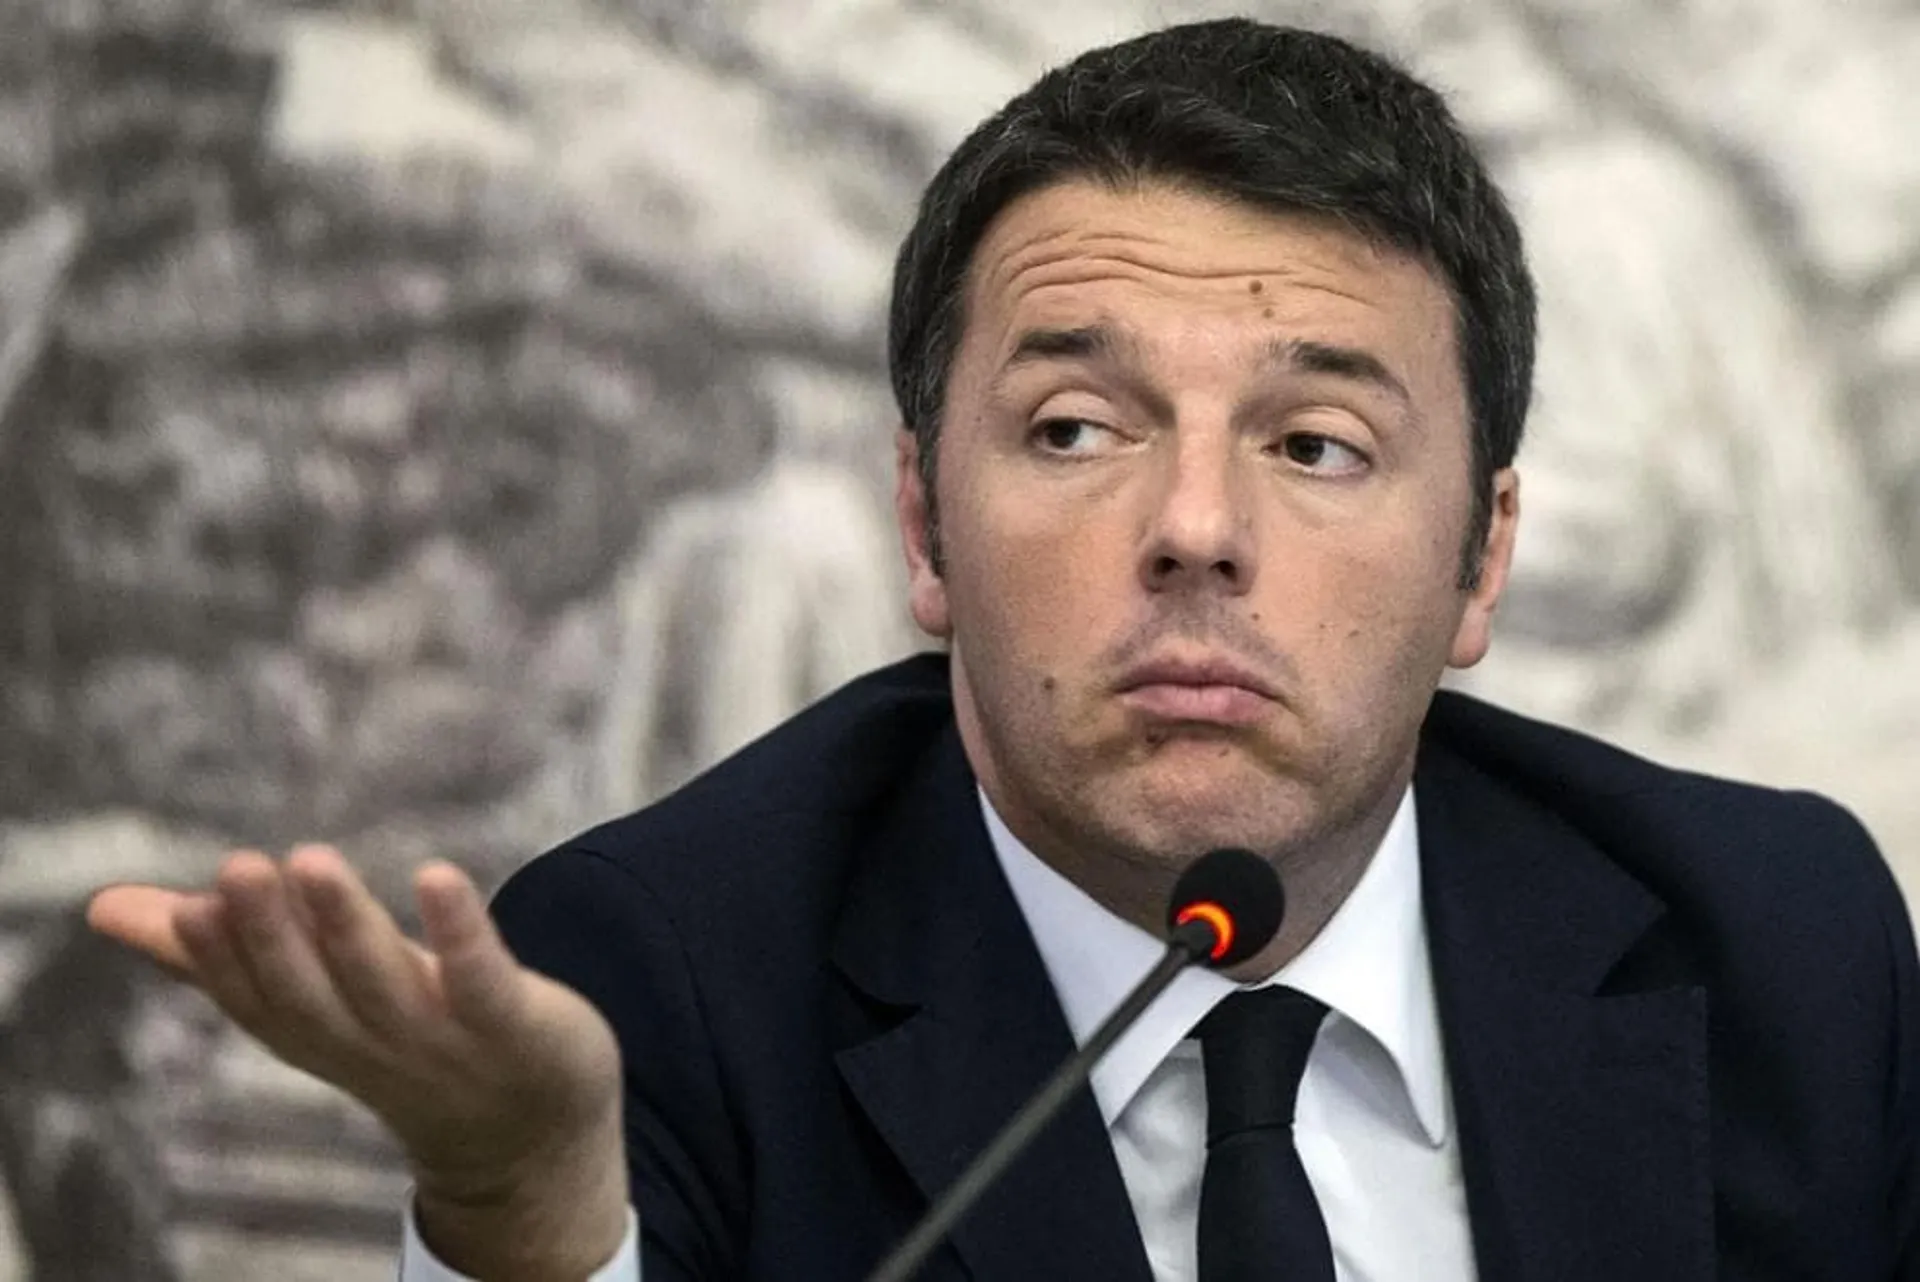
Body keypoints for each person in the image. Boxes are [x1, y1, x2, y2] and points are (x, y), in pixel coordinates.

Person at [86, 18, 1920, 1282]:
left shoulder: (1777, 943)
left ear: (1480, 561)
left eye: (1315, 444)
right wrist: (530, 1216)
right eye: (1074, 427)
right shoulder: (666, 984)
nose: (1195, 527)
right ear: (923, 522)